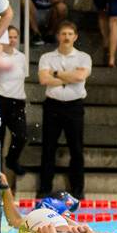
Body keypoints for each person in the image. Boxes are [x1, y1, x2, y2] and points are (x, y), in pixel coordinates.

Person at [37, 22, 91, 199]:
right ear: (58, 36)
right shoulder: (46, 57)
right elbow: (44, 80)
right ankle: (44, 189)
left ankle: (78, 191)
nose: (66, 37)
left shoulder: (84, 57)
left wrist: (55, 74)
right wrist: (69, 77)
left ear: (75, 37)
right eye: (63, 34)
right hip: (52, 105)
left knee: (76, 149)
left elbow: (80, 76)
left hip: (74, 106)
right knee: (48, 149)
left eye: (70, 34)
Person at [0, 28, 29, 176]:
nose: (12, 40)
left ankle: (11, 160)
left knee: (21, 136)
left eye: (15, 37)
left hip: (17, 102)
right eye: (9, 37)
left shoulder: (22, 57)